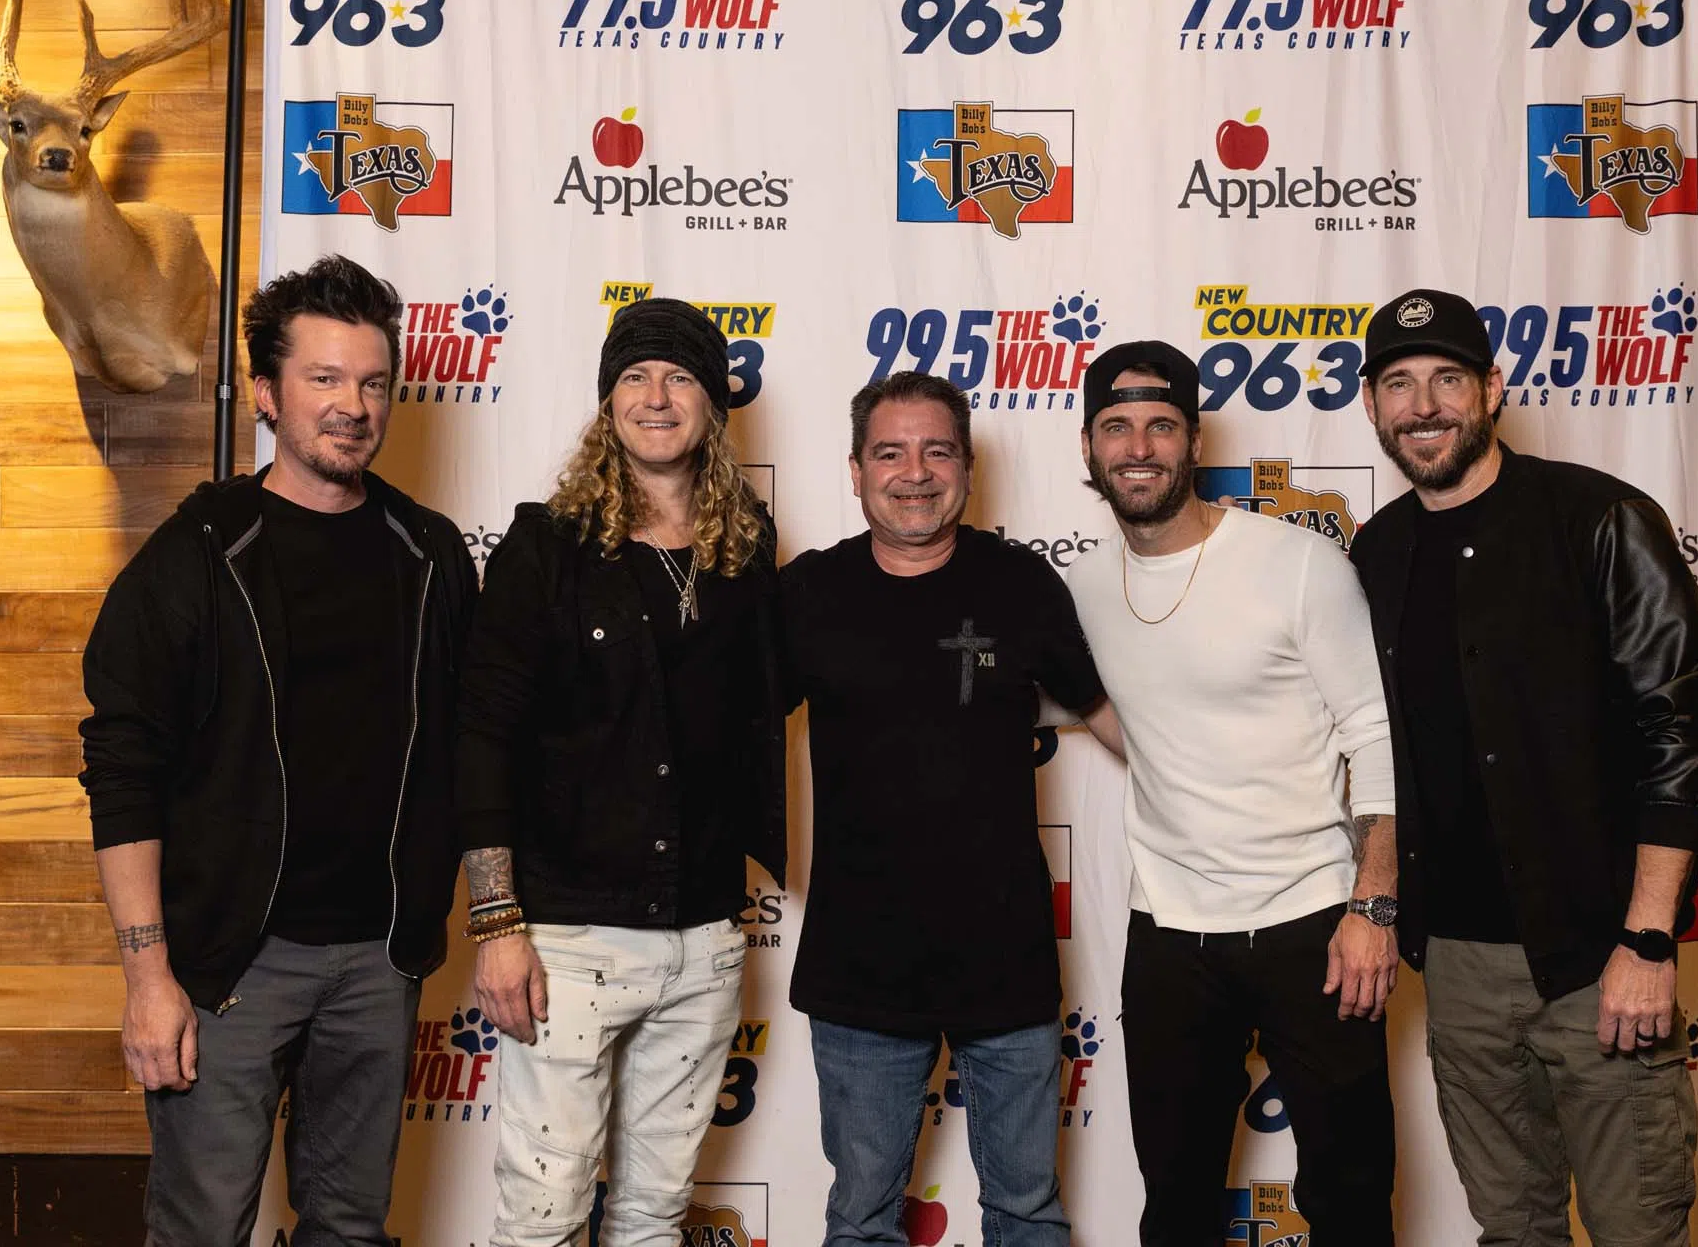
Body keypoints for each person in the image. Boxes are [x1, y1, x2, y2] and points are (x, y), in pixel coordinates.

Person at [78, 254, 477, 1244]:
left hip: (381, 959)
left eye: (373, 382)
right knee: (203, 1224)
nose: (353, 405)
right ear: (266, 392)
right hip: (228, 963)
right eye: (324, 378)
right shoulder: (197, 554)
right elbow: (123, 773)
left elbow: (476, 745)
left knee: (349, 1225)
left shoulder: (430, 553)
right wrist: (149, 978)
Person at [1347, 288, 1698, 1247]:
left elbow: (1681, 733)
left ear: (1491, 388)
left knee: (1636, 1229)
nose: (1423, 405)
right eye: (1399, 384)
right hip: (1459, 966)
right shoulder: (1379, 551)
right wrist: (1379, 902)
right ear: (1371, 404)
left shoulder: (1600, 518)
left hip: (1599, 955)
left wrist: (1648, 941)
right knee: (1512, 1230)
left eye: (1447, 379)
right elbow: (1379, 750)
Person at [455, 297, 785, 1247]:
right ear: (607, 403)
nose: (656, 397)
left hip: (707, 938)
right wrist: (497, 921)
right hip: (566, 941)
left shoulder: (746, 546)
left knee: (653, 1216)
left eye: (680, 377)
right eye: (634, 377)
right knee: (544, 1217)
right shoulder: (548, 545)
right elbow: (483, 734)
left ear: (712, 404)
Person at [1064, 341, 1399, 1247]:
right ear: (1088, 446)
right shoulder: (1082, 585)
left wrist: (1373, 907)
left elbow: (1375, 734)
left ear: (1194, 440)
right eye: (1116, 427)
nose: (1139, 447)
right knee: (1174, 1206)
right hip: (1169, 935)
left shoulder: (1298, 563)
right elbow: (1101, 707)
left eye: (1161, 426)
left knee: (1352, 1202)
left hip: (1314, 924)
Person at [778, 371, 1117, 1247]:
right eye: (890, 452)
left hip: (1006, 960)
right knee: (860, 1219)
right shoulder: (807, 594)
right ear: (856, 470)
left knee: (1028, 1212)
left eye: (938, 451)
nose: (915, 473)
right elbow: (722, 730)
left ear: (968, 466)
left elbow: (1111, 717)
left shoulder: (1022, 583)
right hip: (859, 967)